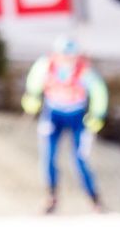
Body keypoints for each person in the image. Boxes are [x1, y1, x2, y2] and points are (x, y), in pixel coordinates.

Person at [21, 36, 108, 214]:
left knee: (80, 158)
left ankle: (94, 199)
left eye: (71, 56)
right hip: (53, 114)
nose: (67, 60)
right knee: (48, 155)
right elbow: (34, 83)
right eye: (64, 56)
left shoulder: (83, 70)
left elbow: (99, 91)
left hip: (77, 116)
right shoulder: (46, 66)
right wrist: (32, 98)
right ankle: (51, 196)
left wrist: (97, 115)